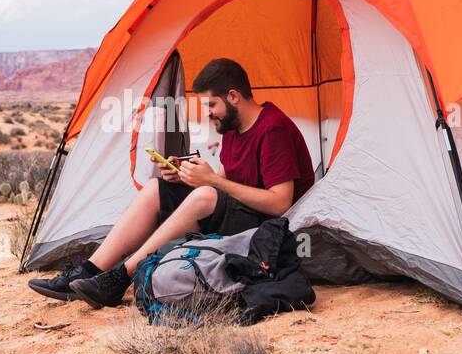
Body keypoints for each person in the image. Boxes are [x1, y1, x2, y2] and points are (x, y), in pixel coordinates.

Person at [28, 57, 315, 309]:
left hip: (270, 232)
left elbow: (281, 202)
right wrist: (187, 177)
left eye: (212, 104)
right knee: (158, 189)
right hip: (242, 215)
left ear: (234, 96)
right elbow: (228, 183)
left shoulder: (273, 129)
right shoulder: (233, 128)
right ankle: (88, 270)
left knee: (204, 196)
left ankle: (120, 277)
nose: (208, 113)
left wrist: (211, 181)